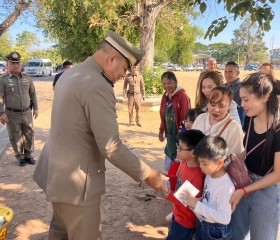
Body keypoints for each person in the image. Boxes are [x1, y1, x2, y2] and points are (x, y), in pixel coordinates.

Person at [33, 30, 168, 240]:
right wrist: (150, 175)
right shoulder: (97, 84)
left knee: (59, 232)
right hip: (78, 184)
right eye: (124, 68)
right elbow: (111, 146)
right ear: (112, 58)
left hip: (56, 175)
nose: (124, 75)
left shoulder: (70, 73)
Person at [230, 71, 280, 240]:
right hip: (244, 182)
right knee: (236, 235)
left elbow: (277, 175)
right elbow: (249, 151)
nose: (242, 105)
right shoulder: (249, 120)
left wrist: (244, 191)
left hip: (266, 191)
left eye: (246, 100)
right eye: (241, 100)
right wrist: (233, 158)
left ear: (265, 97)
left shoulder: (278, 129)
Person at [185, 135, 235, 240]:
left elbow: (225, 218)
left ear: (220, 163)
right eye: (199, 163)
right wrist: (195, 201)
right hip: (204, 222)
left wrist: (197, 205)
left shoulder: (225, 186)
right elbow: (209, 199)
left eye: (204, 164)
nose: (200, 167)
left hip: (216, 231)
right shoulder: (209, 175)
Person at [0, 51, 39, 167]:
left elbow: (33, 94)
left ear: (21, 64)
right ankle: (19, 156)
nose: (16, 65)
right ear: (8, 64)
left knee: (29, 133)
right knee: (15, 135)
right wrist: (1, 113)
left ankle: (28, 155)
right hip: (12, 114)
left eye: (18, 63)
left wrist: (36, 108)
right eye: (13, 63)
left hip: (27, 112)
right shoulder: (3, 80)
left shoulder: (27, 78)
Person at [165, 129, 205, 240]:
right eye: (178, 147)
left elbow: (184, 201)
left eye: (181, 149)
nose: (178, 150)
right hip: (178, 214)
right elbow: (179, 179)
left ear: (194, 153)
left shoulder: (196, 176)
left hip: (186, 221)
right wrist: (166, 178)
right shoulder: (184, 163)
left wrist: (168, 193)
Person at [192, 86, 244, 154]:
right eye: (212, 104)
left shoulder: (234, 128)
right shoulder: (200, 118)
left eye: (221, 106)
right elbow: (190, 143)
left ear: (229, 106)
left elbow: (236, 157)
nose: (216, 110)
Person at [159, 71, 191, 172]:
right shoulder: (165, 97)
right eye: (164, 83)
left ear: (175, 82)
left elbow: (185, 118)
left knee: (179, 162)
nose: (167, 86)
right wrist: (161, 131)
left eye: (169, 83)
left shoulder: (183, 97)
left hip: (180, 135)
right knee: (169, 163)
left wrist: (183, 137)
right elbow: (163, 116)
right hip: (170, 136)